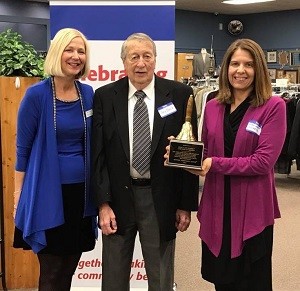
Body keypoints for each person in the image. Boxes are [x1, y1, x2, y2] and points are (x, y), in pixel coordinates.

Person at [165, 38, 287, 290]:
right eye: (234, 64)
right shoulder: (212, 106)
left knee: (252, 282)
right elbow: (206, 153)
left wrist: (212, 163)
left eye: (248, 64)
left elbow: (263, 162)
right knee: (222, 281)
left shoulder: (273, 106)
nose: (240, 70)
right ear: (225, 69)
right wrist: (184, 154)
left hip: (252, 208)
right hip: (218, 205)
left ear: (259, 69)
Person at [91, 32, 199, 291]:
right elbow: (99, 155)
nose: (141, 63)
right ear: (124, 62)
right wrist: (102, 204)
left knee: (161, 278)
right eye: (134, 57)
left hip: (160, 198)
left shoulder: (180, 95)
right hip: (118, 198)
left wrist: (185, 205)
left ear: (155, 60)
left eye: (146, 56)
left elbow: (188, 155)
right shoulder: (105, 96)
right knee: (114, 279)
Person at [13, 28, 97, 291]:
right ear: (56, 53)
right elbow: (22, 149)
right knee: (51, 273)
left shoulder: (88, 94)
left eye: (80, 51)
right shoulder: (36, 95)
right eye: (69, 50)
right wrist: (18, 194)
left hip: (80, 197)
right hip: (47, 196)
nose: (75, 56)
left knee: (69, 269)